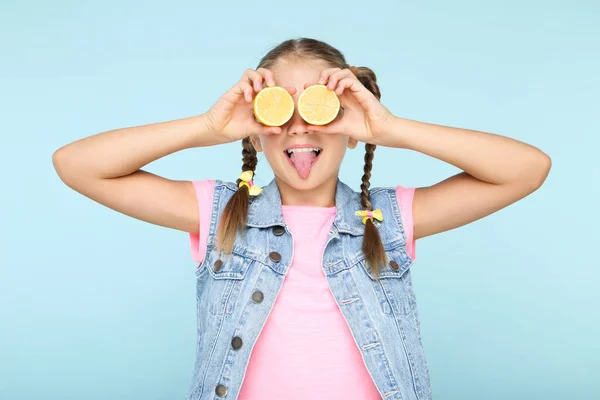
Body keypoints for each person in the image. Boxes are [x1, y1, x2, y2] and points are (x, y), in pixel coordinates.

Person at [52, 38, 551, 400]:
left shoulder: (390, 219)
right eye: (279, 110)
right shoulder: (220, 214)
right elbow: (75, 164)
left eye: (319, 107)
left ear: (350, 126)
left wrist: (392, 128)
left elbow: (527, 170)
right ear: (255, 132)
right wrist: (206, 128)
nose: (298, 125)